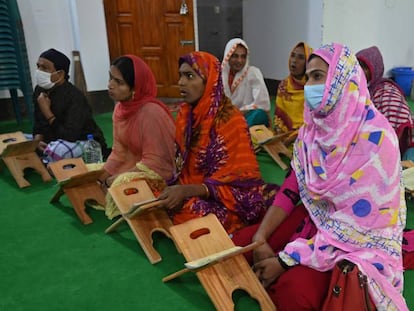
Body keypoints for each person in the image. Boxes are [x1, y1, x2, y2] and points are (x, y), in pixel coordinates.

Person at [232, 43, 408, 310]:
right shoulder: (313, 129)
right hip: (319, 218)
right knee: (242, 245)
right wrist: (261, 237)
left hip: (357, 239)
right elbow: (292, 188)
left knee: (293, 293)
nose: (308, 86)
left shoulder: (377, 139)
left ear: (342, 79)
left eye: (317, 76)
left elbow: (355, 228)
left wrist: (285, 260)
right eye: (307, 77)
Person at [157, 51, 266, 234]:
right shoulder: (185, 115)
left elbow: (240, 185)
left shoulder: (231, 120)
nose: (181, 83)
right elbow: (183, 168)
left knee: (193, 213)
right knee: (154, 193)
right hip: (189, 189)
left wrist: (186, 191)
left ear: (209, 80)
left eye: (190, 76)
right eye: (181, 76)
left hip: (224, 199)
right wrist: (178, 189)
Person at [99, 55, 176, 219]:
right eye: (110, 78)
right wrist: (103, 174)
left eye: (119, 82)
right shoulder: (120, 109)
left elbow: (157, 164)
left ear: (135, 89)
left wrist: (118, 177)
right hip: (135, 165)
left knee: (119, 182)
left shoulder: (151, 113)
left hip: (159, 175)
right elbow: (118, 152)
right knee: (93, 172)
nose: (110, 85)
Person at [33, 48, 110, 163]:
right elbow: (38, 122)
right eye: (38, 66)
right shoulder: (39, 90)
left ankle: (47, 160)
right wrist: (36, 140)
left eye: (44, 68)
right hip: (53, 140)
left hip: (81, 141)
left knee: (57, 149)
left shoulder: (74, 97)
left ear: (60, 74)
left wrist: (47, 112)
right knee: (16, 142)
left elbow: (70, 135)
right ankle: (46, 158)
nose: (39, 71)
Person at [356, 45, 414, 158]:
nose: (359, 70)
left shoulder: (385, 91)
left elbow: (399, 121)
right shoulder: (365, 90)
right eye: (357, 65)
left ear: (375, 68)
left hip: (403, 146)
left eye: (364, 66)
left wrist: (386, 153)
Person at [221, 38, 271, 127]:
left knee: (259, 114)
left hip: (247, 117)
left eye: (243, 56)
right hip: (226, 118)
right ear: (227, 57)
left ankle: (239, 133)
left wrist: (237, 113)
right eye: (235, 56)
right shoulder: (220, 76)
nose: (239, 60)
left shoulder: (253, 72)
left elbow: (262, 103)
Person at [274, 42, 313, 134]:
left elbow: (313, 124)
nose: (294, 60)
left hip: (306, 136)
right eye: (293, 55)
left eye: (300, 58)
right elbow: (278, 118)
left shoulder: (313, 88)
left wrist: (296, 135)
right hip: (284, 134)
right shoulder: (284, 85)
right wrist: (280, 131)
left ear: (308, 63)